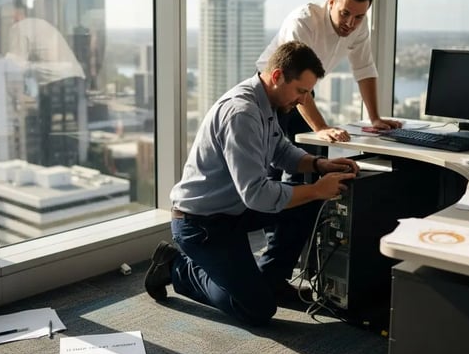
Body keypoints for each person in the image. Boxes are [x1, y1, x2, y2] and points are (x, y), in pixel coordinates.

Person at [144, 41, 359, 326]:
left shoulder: (266, 102)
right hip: (201, 225)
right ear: (277, 76)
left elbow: (281, 150)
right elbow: (256, 195)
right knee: (256, 309)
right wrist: (317, 188)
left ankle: (271, 278)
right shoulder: (242, 113)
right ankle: (175, 267)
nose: (304, 100)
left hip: (232, 210)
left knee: (307, 205)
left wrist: (318, 164)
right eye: (301, 91)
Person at [256, 0, 402, 150]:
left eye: (358, 17)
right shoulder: (304, 21)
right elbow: (294, 77)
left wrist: (375, 118)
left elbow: (365, 69)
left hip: (303, 92)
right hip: (275, 89)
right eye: (345, 13)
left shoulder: (360, 26)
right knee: (273, 158)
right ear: (332, 2)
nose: (350, 23)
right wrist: (321, 127)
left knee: (315, 152)